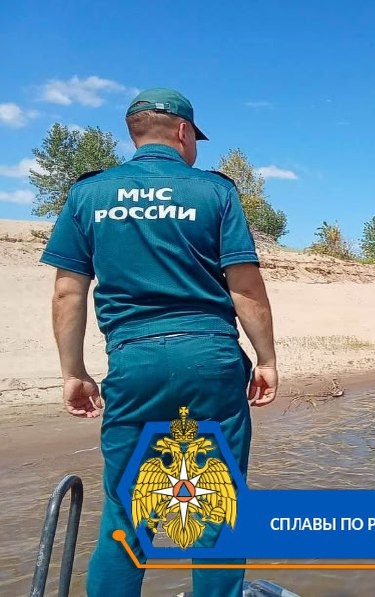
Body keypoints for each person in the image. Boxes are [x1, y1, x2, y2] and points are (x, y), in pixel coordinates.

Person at [40, 88, 278, 597]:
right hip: (210, 359)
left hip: (134, 361)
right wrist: (266, 359)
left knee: (126, 512)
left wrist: (73, 372)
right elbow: (245, 285)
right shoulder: (215, 192)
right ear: (183, 132)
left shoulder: (89, 194)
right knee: (218, 510)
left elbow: (67, 291)